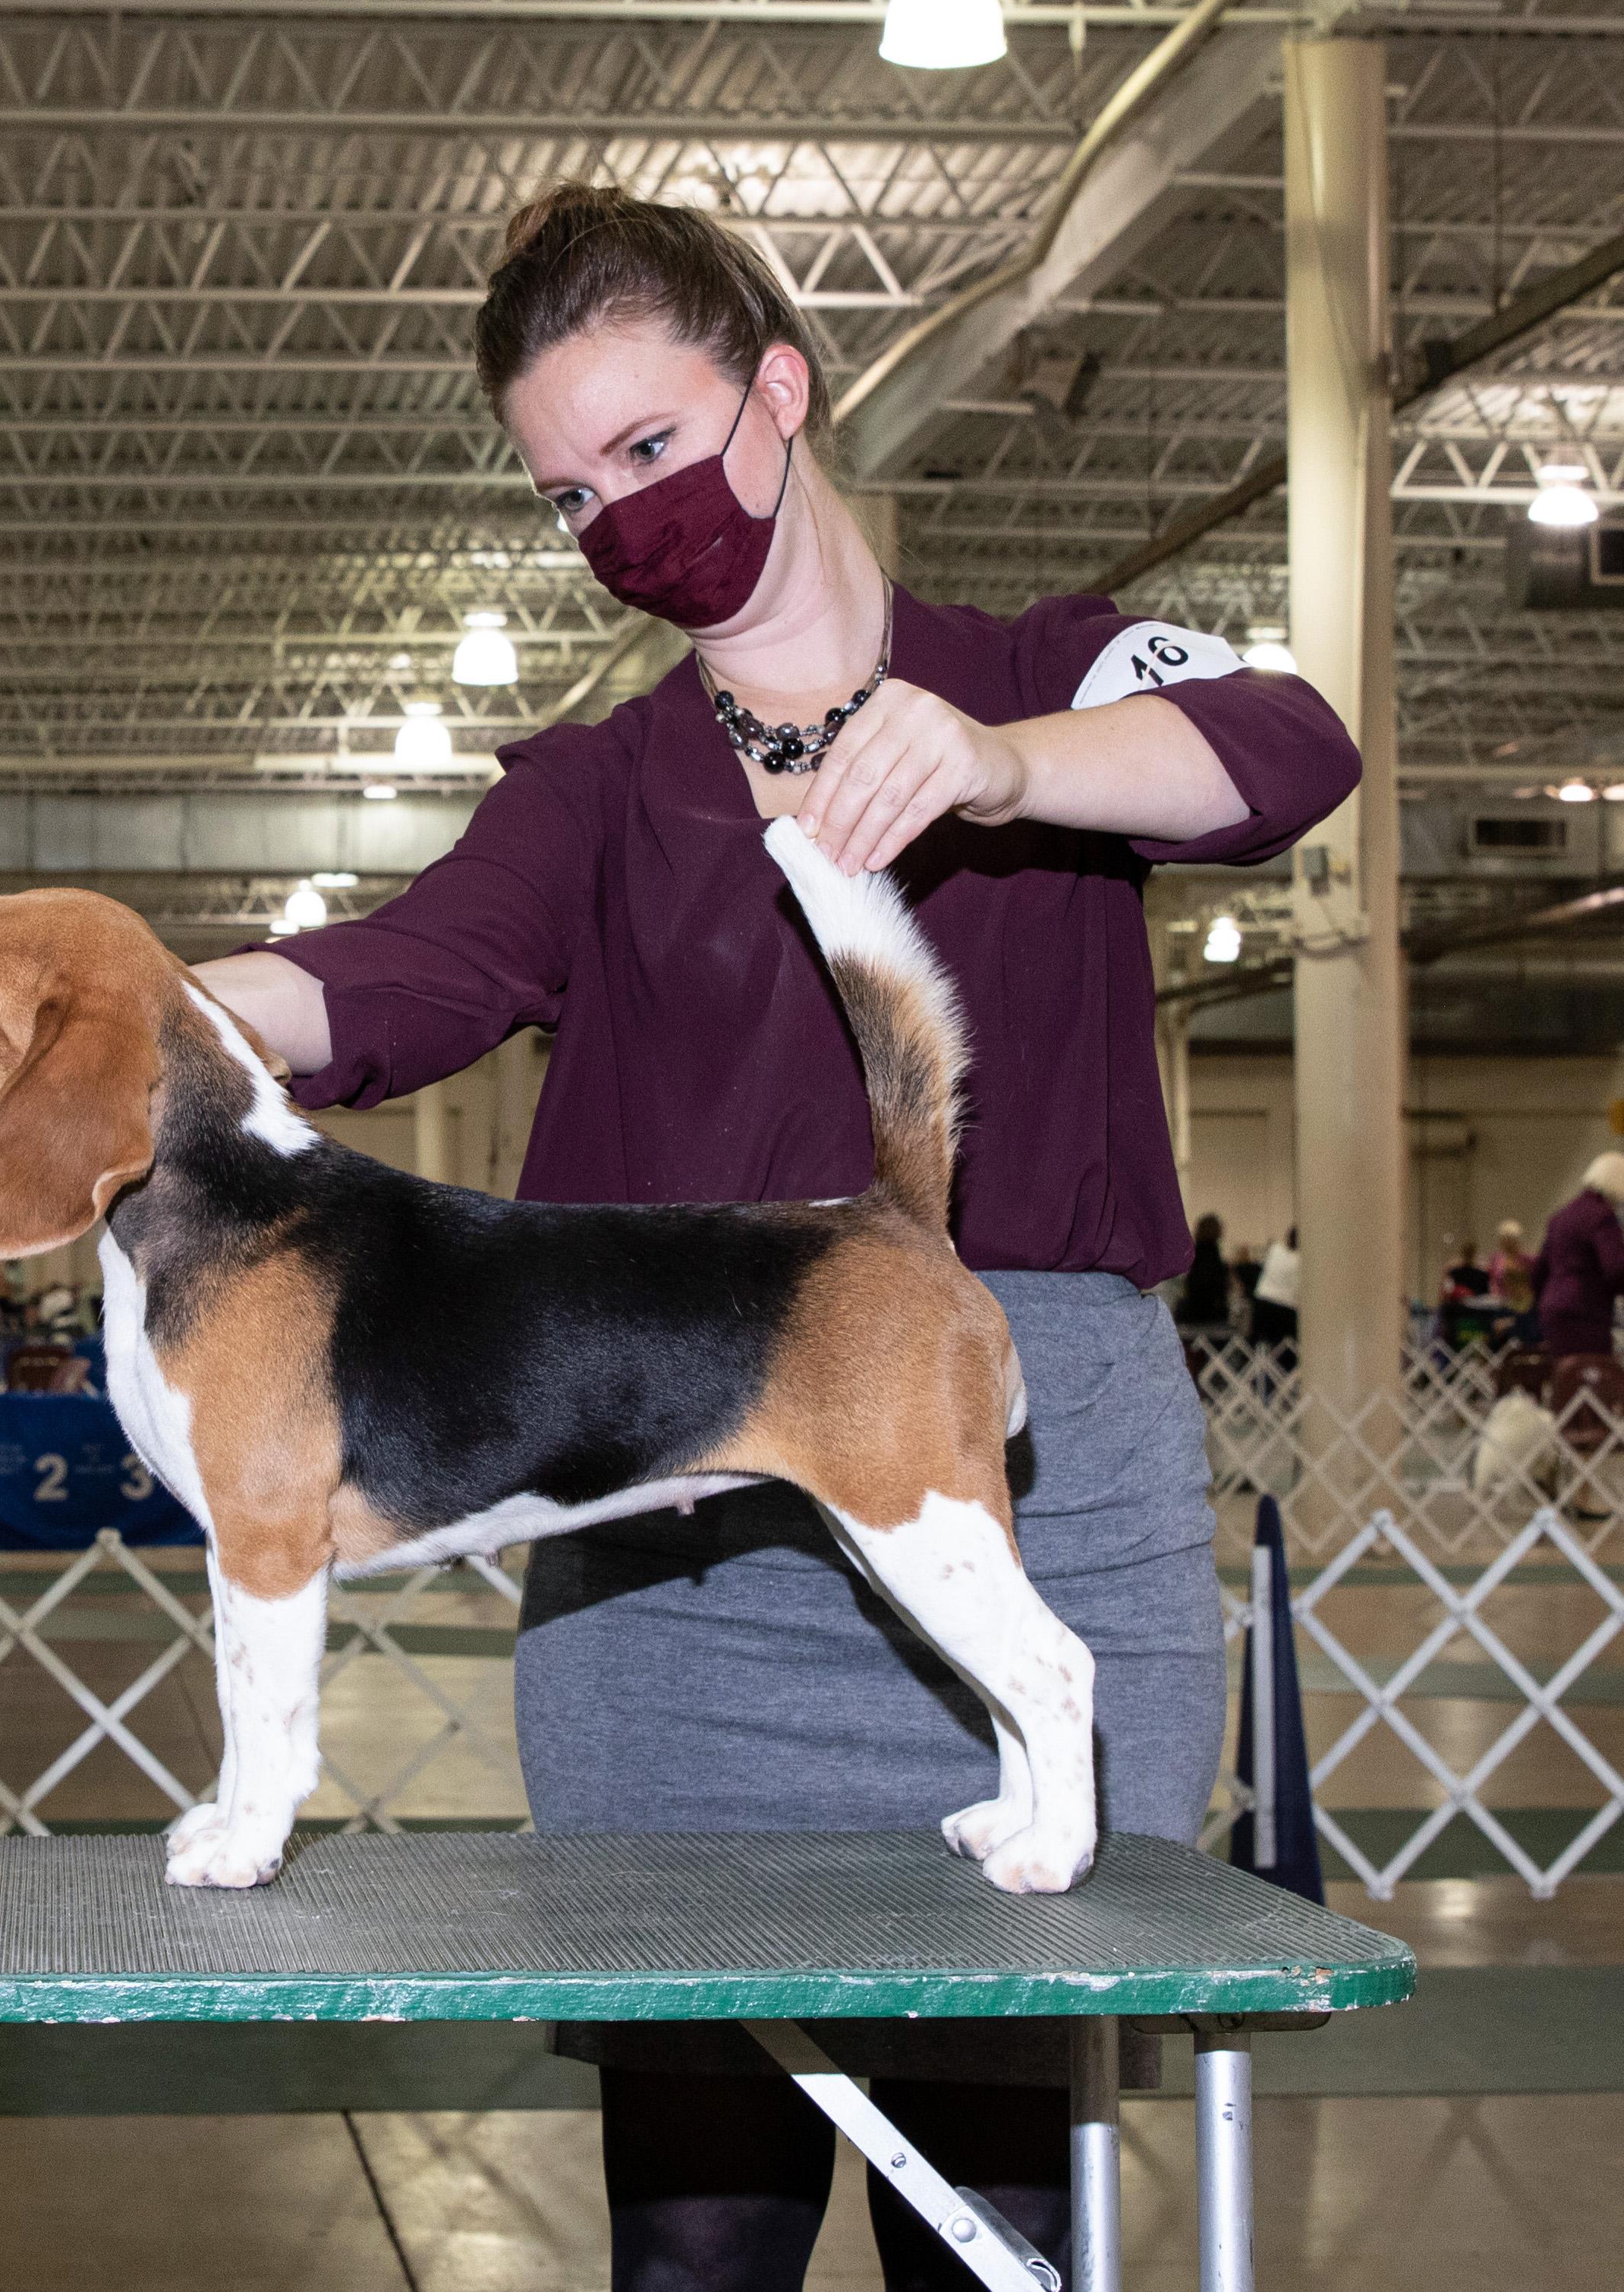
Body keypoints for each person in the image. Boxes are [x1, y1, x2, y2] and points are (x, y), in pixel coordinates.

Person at [194, 185, 1359, 2292]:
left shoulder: (1048, 670)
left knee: (1001, 2230)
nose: (618, 518)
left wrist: (1005, 764)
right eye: (570, 494)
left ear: (780, 391)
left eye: (647, 446)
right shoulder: (592, 790)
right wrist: (148, 1011)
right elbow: (407, 972)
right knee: (696, 2238)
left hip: (1023, 1478)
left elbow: (1289, 749)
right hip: (669, 1548)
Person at [1535, 1160, 1624, 1357]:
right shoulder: (1602, 1216)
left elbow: (1540, 1270)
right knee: (1593, 1371)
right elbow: (1616, 1268)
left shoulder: (1561, 1215)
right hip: (1585, 1311)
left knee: (1566, 1371)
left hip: (1553, 1312)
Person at [1174, 1211, 1232, 1333]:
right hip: (1214, 1315)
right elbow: (1222, 1289)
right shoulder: (1217, 1260)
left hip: (1192, 1313)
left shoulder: (1193, 1256)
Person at [1250, 1228, 1301, 1358]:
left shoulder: (1275, 1249)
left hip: (1262, 1302)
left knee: (1261, 1341)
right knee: (1287, 1346)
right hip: (1285, 1308)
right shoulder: (1300, 1260)